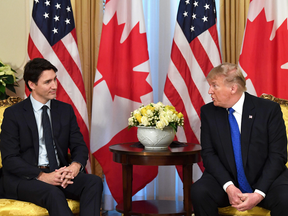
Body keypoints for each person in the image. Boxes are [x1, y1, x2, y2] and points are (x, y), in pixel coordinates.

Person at [0, 58, 103, 216]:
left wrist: (74, 167)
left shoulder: (64, 110)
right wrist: (42, 176)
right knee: (53, 193)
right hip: (25, 178)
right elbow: (10, 158)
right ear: (32, 84)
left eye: (55, 79)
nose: (54, 86)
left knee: (93, 182)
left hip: (59, 174)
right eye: (48, 82)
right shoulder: (14, 114)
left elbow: (79, 146)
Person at [191, 63, 288, 215]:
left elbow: (277, 156)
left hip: (265, 181)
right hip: (226, 181)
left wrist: (258, 194)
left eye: (214, 86)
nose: (210, 91)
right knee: (200, 192)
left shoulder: (268, 110)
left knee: (285, 197)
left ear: (233, 88)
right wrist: (229, 187)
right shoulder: (209, 112)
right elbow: (209, 154)